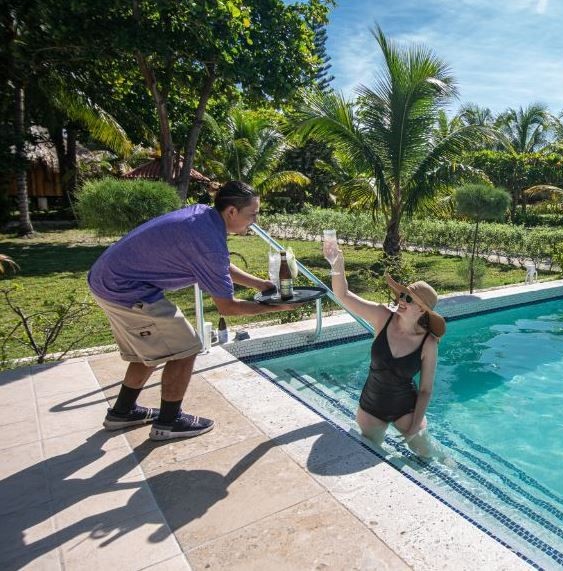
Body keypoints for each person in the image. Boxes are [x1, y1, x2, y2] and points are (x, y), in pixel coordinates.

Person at [89, 181, 303, 441]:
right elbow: (228, 307)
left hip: (108, 278)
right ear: (232, 212)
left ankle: (122, 412)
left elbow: (219, 264)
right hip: (124, 289)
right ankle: (168, 422)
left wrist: (259, 284)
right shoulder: (208, 241)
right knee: (186, 349)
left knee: (152, 350)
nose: (255, 222)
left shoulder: (203, 216)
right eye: (252, 215)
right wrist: (276, 307)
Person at [323, 239, 445, 457]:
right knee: (372, 457)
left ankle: (446, 460)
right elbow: (343, 295)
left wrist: (415, 426)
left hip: (406, 409)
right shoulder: (382, 317)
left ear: (422, 311)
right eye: (402, 295)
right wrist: (336, 264)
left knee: (427, 454)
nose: (401, 299)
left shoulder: (428, 343)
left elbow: (425, 390)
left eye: (409, 298)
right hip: (371, 407)